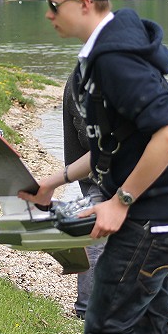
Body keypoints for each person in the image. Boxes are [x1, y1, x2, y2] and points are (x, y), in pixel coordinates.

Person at [19, 0, 168, 334]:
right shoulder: (103, 53)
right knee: (149, 332)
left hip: (157, 213)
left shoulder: (114, 58)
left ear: (84, 3)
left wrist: (121, 201)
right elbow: (111, 144)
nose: (48, 14)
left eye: (55, 5)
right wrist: (52, 182)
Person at [62, 69, 105, 320]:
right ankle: (87, 309)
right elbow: (94, 144)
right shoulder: (83, 79)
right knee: (96, 237)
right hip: (95, 175)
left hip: (108, 174)